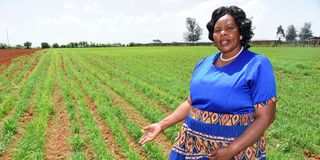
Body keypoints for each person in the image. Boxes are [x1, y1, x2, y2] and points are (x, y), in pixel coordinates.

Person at [139, 5, 277, 160]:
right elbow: (190, 103)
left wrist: (231, 150)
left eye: (229, 28)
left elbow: (265, 117)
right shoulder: (204, 64)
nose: (222, 33)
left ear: (240, 32)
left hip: (234, 151)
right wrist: (161, 125)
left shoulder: (257, 64)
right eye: (217, 30)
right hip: (191, 147)